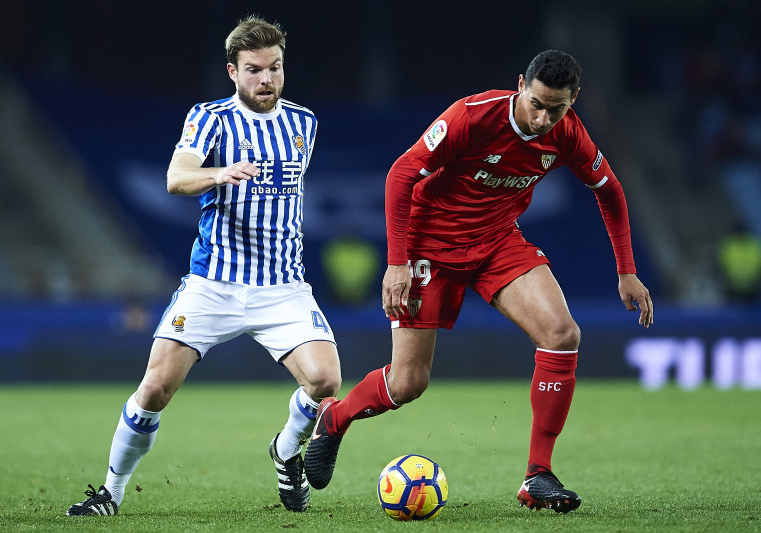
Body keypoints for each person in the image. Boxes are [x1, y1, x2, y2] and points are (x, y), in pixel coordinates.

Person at [304, 50, 653, 514]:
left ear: (575, 100)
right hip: (429, 246)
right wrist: (396, 261)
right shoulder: (473, 116)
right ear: (520, 85)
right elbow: (402, 174)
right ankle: (336, 418)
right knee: (408, 382)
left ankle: (538, 475)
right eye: (537, 103)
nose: (544, 117)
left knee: (563, 334)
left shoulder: (569, 135)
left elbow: (609, 190)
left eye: (558, 108)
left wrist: (626, 270)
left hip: (496, 242)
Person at [66, 15, 341, 516]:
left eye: (276, 68)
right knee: (154, 389)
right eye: (255, 69)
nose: (267, 79)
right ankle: (111, 492)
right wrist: (219, 174)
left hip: (282, 286)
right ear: (233, 71)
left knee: (325, 382)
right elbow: (176, 177)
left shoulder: (305, 123)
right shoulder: (210, 117)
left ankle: (285, 450)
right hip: (213, 283)